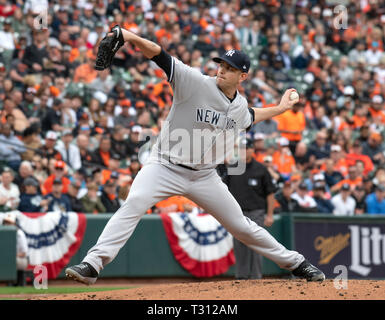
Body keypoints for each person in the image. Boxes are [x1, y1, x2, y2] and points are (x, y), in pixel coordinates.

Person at [65, 26, 325, 285]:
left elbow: (251, 117)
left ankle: (297, 263)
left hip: (204, 176)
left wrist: (280, 109)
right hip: (164, 166)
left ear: (242, 76)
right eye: (221, 65)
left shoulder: (240, 106)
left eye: (230, 68)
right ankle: (93, 264)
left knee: (241, 226)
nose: (222, 70)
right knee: (133, 204)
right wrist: (129, 36)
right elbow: (159, 54)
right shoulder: (194, 82)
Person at [225, 138, 276, 279]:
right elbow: (224, 190)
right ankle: (241, 277)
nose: (244, 151)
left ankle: (256, 277)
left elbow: (270, 193)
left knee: (257, 243)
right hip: (237, 213)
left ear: (253, 150)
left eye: (247, 148)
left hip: (256, 212)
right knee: (239, 245)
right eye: (242, 148)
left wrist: (270, 214)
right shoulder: (232, 167)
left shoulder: (261, 169)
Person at [2, 212, 29, 286]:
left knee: (10, 260)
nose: (7, 225)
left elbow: (24, 253)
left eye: (9, 223)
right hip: (8, 259)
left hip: (21, 259)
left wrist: (11, 256)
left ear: (14, 224)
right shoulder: (2, 234)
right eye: (6, 223)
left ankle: (14, 283)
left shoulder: (19, 234)